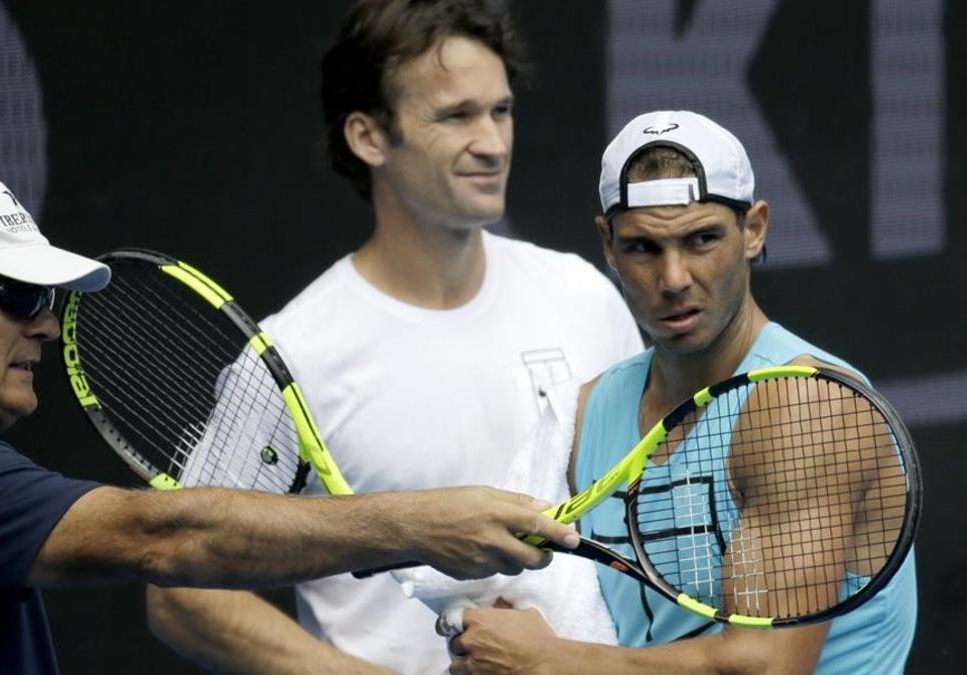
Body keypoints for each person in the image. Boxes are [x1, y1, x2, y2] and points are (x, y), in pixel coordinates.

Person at [0, 175, 585, 675]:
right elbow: (160, 535)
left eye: (51, 303)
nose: (49, 329)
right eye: (20, 298)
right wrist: (422, 523)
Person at [145, 1, 642, 673]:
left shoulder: (584, 297)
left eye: (501, 111)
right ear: (369, 137)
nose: (493, 142)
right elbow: (181, 592)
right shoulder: (296, 353)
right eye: (456, 116)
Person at [446, 110, 919, 674]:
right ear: (608, 244)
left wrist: (551, 661)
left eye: (701, 240)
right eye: (644, 248)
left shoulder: (806, 404)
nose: (673, 279)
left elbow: (767, 667)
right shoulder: (586, 413)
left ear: (755, 230)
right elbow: (551, 605)